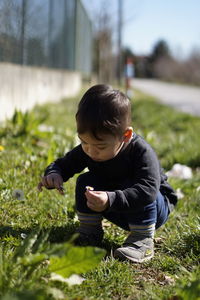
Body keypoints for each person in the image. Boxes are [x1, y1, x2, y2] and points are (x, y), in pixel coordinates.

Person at [38, 84, 177, 263]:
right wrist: (54, 174)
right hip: (116, 204)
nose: (91, 151)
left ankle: (142, 241)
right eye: (84, 142)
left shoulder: (141, 152)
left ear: (126, 136)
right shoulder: (89, 148)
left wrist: (110, 199)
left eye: (100, 146)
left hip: (153, 208)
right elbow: (64, 164)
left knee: (142, 188)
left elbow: (148, 190)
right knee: (85, 180)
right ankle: (90, 232)